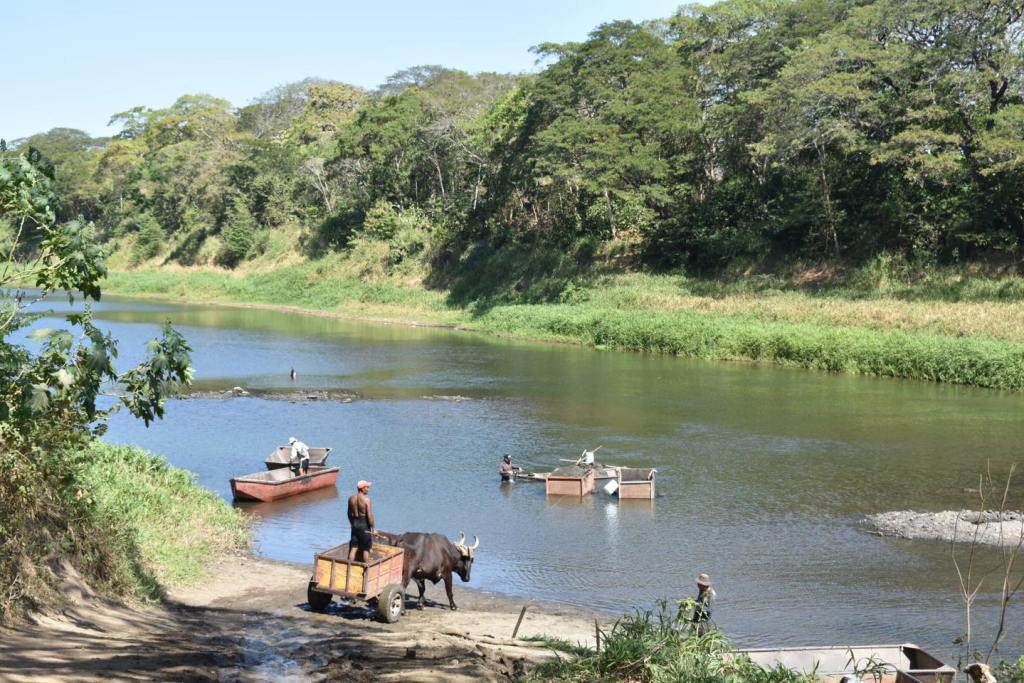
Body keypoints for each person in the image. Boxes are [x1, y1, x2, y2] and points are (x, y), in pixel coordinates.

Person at [347, 480, 375, 563]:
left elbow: (348, 513)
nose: (368, 489)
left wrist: (352, 524)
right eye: (367, 487)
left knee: (354, 548)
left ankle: (349, 568)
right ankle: (367, 570)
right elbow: (369, 515)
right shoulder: (367, 499)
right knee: (366, 549)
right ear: (362, 488)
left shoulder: (351, 498)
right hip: (364, 525)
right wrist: (373, 528)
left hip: (355, 523)